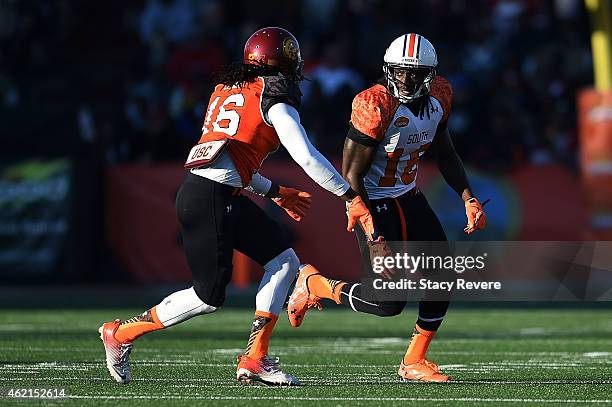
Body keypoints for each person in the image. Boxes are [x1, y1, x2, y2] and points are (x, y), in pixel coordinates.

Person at [99, 27, 375, 386]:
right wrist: (349, 196)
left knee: (285, 261)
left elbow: (225, 163)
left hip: (211, 192)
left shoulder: (230, 90)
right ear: (285, 63)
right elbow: (306, 157)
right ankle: (121, 333)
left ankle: (255, 358)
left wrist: (274, 190)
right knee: (207, 297)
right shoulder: (273, 96)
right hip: (211, 198)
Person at [287, 33, 487, 382]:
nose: (407, 80)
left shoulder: (439, 94)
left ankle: (413, 361)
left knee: (442, 277)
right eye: (400, 71)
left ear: (430, 74)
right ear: (387, 69)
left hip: (409, 196)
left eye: (415, 73)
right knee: (389, 302)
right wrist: (375, 235)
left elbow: (447, 153)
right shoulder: (374, 104)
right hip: (371, 203)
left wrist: (467, 196)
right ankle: (317, 284)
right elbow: (352, 175)